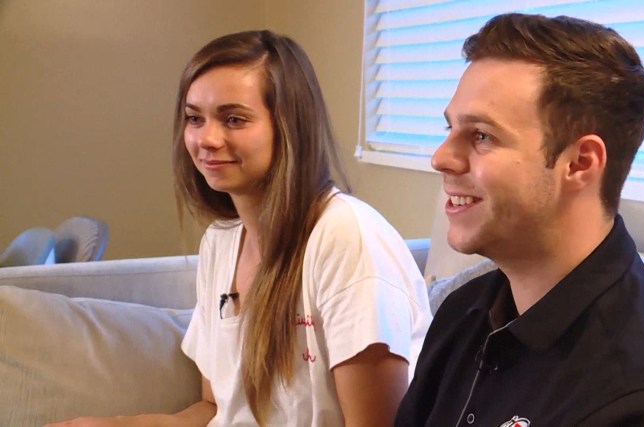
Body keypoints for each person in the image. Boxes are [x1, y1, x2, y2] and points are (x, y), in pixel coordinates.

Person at [49, 30, 431, 427]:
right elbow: (216, 410)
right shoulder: (221, 241)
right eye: (195, 118)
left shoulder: (346, 237)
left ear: (289, 127)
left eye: (234, 119)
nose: (206, 139)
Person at [394, 13, 644, 427]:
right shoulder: (463, 315)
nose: (441, 158)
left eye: (481, 136)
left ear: (579, 163)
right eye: (449, 128)